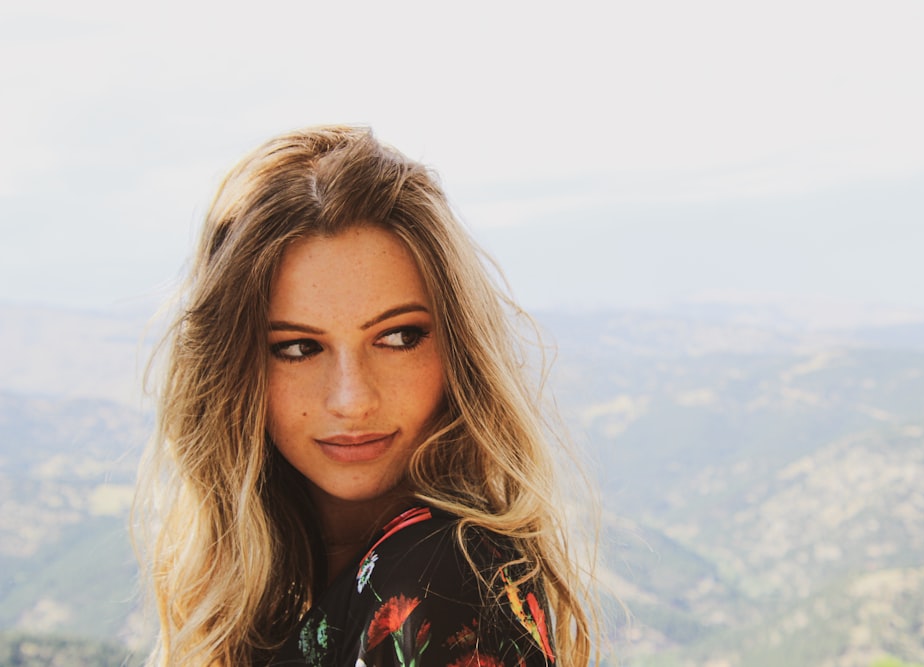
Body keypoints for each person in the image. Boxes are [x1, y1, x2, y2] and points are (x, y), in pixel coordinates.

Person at [134, 126, 598, 666]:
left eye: (397, 337)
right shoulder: (302, 575)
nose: (352, 400)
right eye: (299, 347)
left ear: (458, 350)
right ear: (234, 372)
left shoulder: (441, 585)